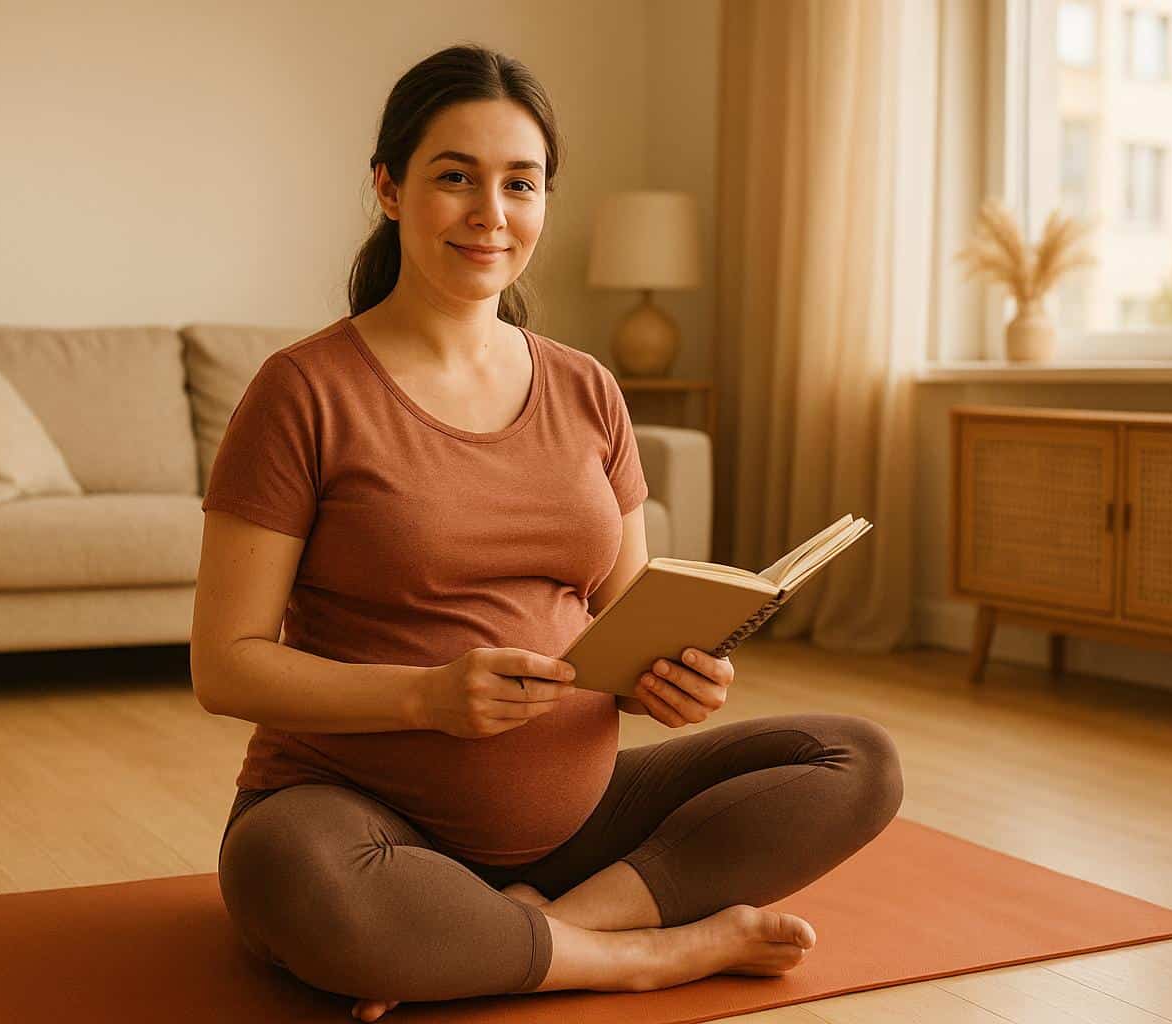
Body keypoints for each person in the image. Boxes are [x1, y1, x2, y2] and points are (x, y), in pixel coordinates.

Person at [189, 42, 904, 1022]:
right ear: (389, 189)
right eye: (456, 178)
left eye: (520, 184)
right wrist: (427, 699)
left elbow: (628, 616)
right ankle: (652, 955)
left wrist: (676, 676)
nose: (492, 213)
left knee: (855, 758)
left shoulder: (587, 389)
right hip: (359, 812)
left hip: (578, 818)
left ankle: (539, 927)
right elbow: (224, 666)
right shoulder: (302, 391)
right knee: (289, 870)